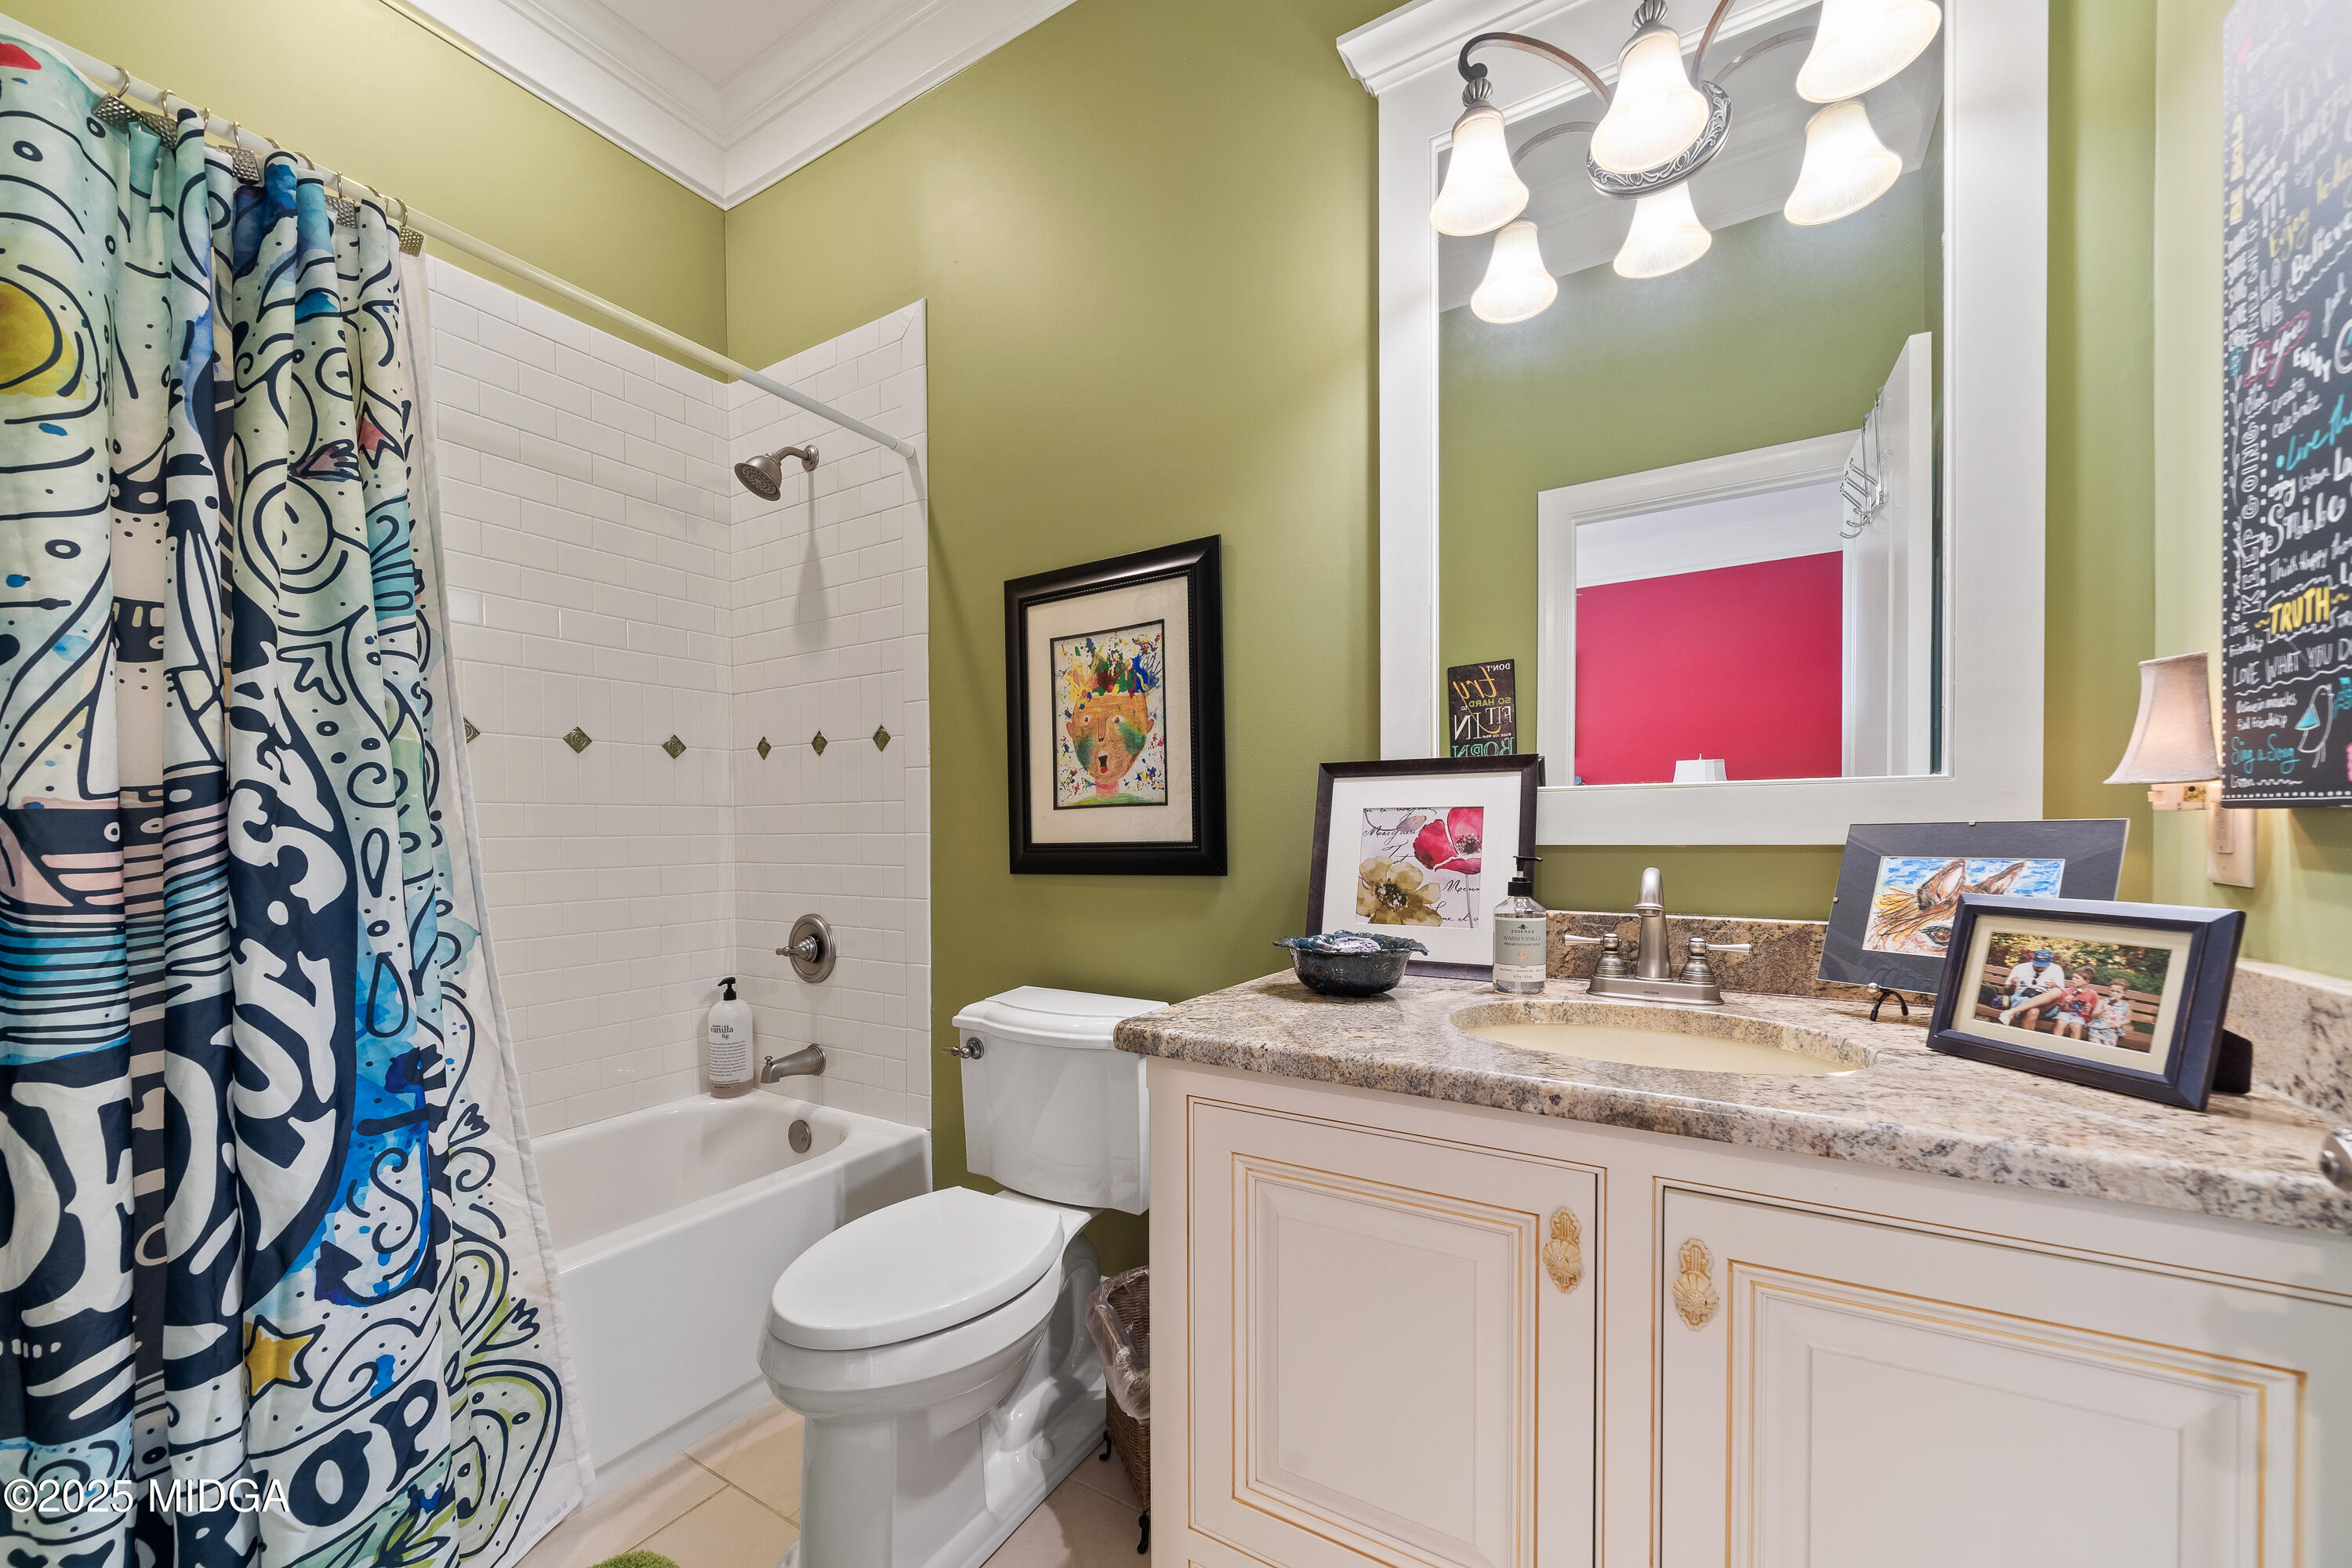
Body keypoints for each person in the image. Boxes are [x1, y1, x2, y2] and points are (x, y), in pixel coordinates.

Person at [1996, 948, 2068, 1029]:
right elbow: (2007, 990)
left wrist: (2055, 986)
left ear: (2049, 963)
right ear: (2033, 960)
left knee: (2057, 991)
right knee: (2033, 1011)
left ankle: (2011, 1012)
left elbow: (2061, 995)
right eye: (2037, 966)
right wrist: (2013, 984)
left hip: (2045, 1005)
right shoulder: (2020, 967)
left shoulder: (2057, 969)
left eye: (2043, 967)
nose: (2039, 968)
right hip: (2023, 998)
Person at [2045, 969, 2100, 1040]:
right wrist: (2066, 1002)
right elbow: (2063, 1009)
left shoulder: (2092, 994)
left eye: (2077, 978)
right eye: (2073, 977)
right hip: (2065, 1013)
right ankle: (2055, 1042)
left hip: (2080, 1017)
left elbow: (2096, 1011)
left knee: (2076, 1027)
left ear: (2086, 981)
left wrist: (2091, 1007)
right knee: (2060, 1023)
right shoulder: (2067, 991)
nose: (2073, 979)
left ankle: (2073, 1046)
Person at [2089, 982, 2137, 1049]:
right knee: (2095, 1046)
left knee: (2108, 1048)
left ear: (2124, 993)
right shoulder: (2103, 1002)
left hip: (2112, 1030)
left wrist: (2119, 1023)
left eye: (2118, 992)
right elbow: (2093, 1015)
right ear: (2109, 990)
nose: (2114, 993)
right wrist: (2103, 1009)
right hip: (2098, 1028)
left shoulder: (2126, 1006)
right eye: (2112, 991)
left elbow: (2128, 1019)